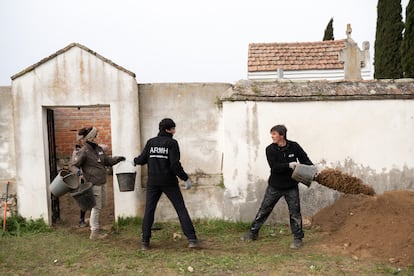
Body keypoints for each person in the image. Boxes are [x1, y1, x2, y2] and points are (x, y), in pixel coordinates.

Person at [242, 124, 313, 249]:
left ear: (282, 135)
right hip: (275, 186)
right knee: (264, 209)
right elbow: (274, 167)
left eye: (274, 134)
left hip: (291, 186)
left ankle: (298, 238)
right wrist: (289, 165)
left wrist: (311, 169)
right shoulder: (270, 149)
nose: (272, 137)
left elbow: (305, 160)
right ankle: (253, 232)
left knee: (295, 212)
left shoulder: (294, 146)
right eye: (272, 134)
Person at [133, 118, 199, 251]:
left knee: (149, 210)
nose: (174, 131)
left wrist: (134, 161)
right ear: (168, 130)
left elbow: (142, 159)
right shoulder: (172, 143)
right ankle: (192, 239)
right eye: (173, 129)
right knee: (180, 208)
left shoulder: (151, 142)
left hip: (153, 182)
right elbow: (174, 164)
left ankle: (145, 242)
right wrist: (185, 178)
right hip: (169, 182)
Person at [71, 126, 125, 240]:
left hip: (102, 181)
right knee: (97, 207)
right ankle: (94, 232)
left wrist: (118, 159)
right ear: (91, 138)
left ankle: (93, 225)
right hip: (93, 183)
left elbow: (107, 161)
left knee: (100, 205)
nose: (97, 138)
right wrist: (79, 174)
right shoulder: (84, 151)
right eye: (96, 136)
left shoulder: (98, 149)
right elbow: (73, 165)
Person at [71, 130, 88, 227]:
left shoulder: (90, 148)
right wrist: (78, 172)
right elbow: (73, 165)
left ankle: (94, 219)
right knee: (84, 198)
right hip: (83, 177)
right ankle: (82, 219)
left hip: (93, 176)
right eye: (80, 139)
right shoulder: (76, 151)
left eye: (83, 138)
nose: (82, 140)